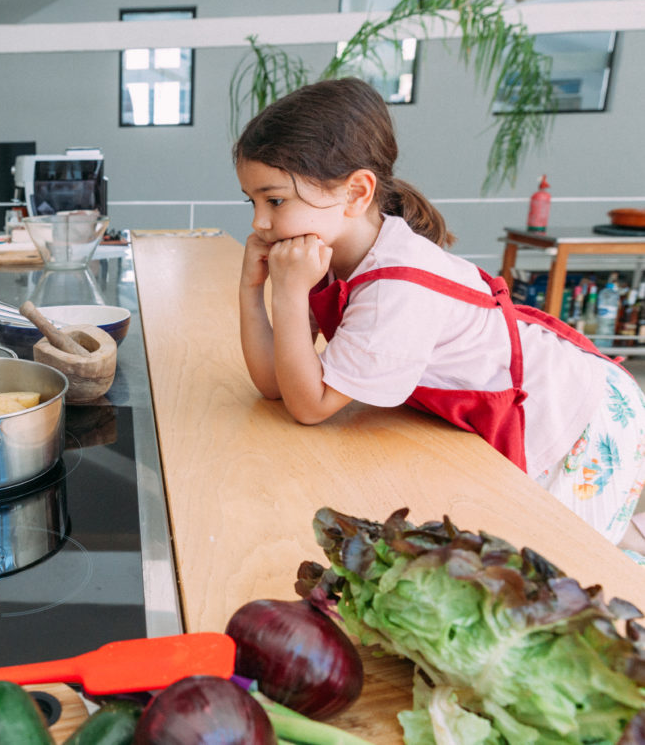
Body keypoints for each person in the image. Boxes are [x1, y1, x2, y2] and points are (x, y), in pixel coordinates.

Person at [234, 77, 645, 547]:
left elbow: (310, 406)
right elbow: (276, 386)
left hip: (581, 416)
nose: (258, 222)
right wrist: (252, 289)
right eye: (253, 201)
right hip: (550, 400)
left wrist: (286, 294)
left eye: (275, 200)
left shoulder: (396, 285)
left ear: (355, 193)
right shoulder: (327, 254)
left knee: (573, 560)